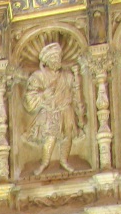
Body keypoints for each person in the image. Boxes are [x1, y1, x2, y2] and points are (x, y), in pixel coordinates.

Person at [23, 42, 85, 174]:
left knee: (68, 135)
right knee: (50, 136)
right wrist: (43, 95)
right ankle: (45, 163)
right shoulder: (39, 76)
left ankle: (64, 161)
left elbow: (75, 94)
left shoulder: (67, 76)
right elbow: (29, 97)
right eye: (53, 58)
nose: (56, 61)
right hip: (50, 111)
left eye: (58, 58)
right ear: (46, 61)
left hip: (66, 110)